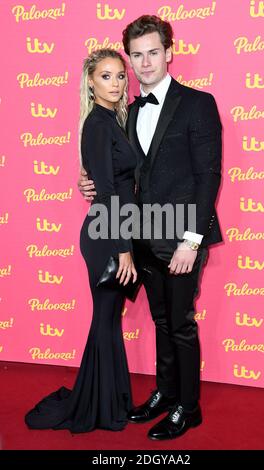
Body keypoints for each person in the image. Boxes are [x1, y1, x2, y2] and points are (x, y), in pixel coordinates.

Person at [78, 15, 222, 440]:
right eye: (136, 56)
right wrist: (88, 182)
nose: (144, 63)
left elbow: (208, 176)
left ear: (169, 53)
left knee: (180, 324)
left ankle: (188, 408)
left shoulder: (198, 104)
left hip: (180, 237)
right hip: (141, 236)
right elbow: (116, 174)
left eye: (152, 52)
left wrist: (191, 241)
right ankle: (165, 392)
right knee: (161, 321)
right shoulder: (124, 110)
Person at [25, 49, 138, 433]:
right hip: (107, 235)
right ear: (90, 81)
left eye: (120, 76)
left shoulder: (115, 119)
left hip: (115, 228)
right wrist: (123, 250)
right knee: (106, 319)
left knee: (108, 320)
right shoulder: (98, 124)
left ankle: (108, 399)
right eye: (106, 76)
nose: (116, 83)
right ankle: (98, 406)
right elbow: (106, 193)